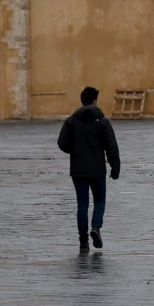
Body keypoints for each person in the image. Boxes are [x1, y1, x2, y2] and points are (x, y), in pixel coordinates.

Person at [57, 86, 120, 252]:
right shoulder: (102, 121)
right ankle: (96, 227)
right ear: (94, 101)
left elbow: (62, 143)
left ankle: (83, 241)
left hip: (78, 169)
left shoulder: (71, 121)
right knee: (99, 200)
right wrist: (115, 167)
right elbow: (111, 146)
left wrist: (75, 150)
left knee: (82, 204)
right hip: (98, 169)